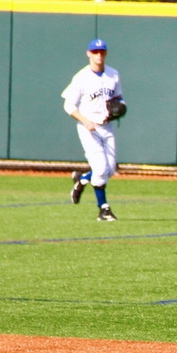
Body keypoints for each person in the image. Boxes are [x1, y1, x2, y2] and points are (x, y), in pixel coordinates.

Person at [61, 38, 124, 221]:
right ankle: (103, 209)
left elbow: (119, 98)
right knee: (101, 168)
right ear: (89, 54)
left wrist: (120, 108)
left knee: (109, 169)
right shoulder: (81, 77)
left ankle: (82, 180)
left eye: (102, 52)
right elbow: (68, 105)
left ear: (106, 53)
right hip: (88, 128)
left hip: (107, 126)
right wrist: (85, 120)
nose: (99, 55)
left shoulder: (113, 74)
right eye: (95, 52)